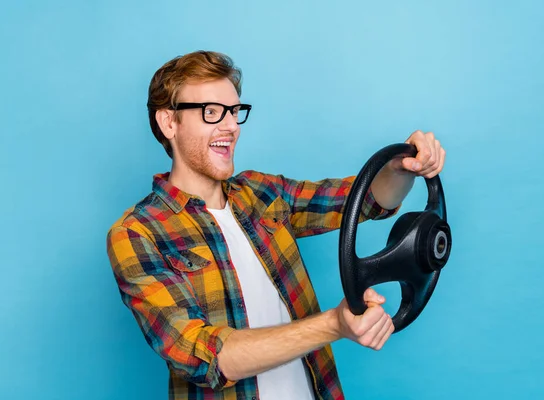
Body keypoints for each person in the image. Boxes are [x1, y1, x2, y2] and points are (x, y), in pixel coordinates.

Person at [106, 50, 446, 400]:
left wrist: (401, 167)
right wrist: (334, 324)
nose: (230, 126)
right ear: (168, 123)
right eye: (211, 112)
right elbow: (207, 357)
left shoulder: (261, 193)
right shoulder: (137, 233)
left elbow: (366, 200)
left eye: (235, 112)